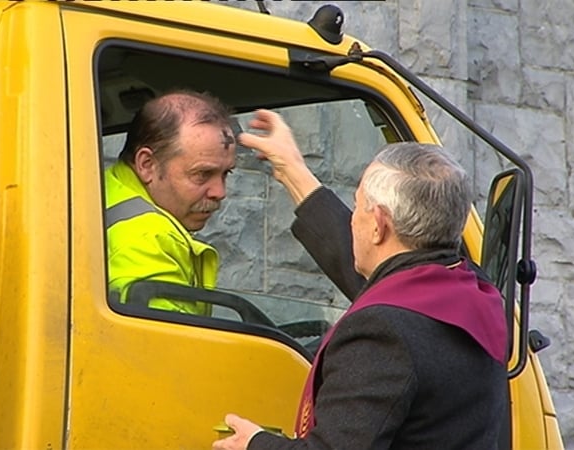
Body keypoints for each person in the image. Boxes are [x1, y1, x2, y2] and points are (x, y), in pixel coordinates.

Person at [213, 110, 508, 449]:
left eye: (356, 208)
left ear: (378, 225)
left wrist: (255, 444)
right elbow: (378, 277)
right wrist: (291, 169)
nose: (352, 221)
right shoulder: (469, 295)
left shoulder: (386, 331)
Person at [105, 90, 236, 314]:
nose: (219, 192)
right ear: (147, 164)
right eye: (202, 174)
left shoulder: (109, 187)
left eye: (226, 173)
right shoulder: (148, 238)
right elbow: (169, 336)